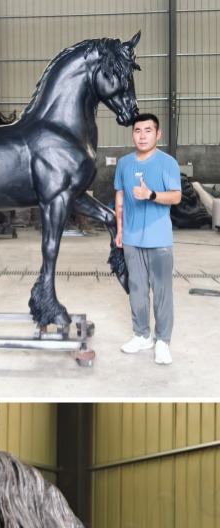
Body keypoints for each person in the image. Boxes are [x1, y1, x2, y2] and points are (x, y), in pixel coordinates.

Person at [114, 113, 182, 364]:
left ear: (158, 134)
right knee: (137, 290)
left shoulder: (167, 163)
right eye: (137, 131)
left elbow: (176, 197)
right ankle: (142, 335)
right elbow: (120, 198)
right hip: (132, 238)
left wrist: (151, 194)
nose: (142, 136)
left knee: (162, 292)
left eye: (148, 131)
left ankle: (163, 341)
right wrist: (120, 231)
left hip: (159, 239)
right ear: (133, 134)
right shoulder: (124, 164)